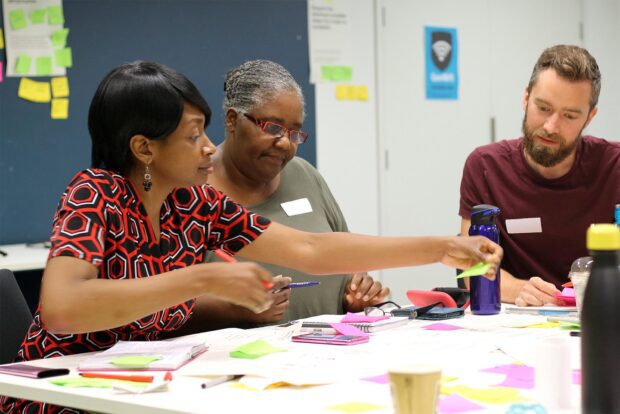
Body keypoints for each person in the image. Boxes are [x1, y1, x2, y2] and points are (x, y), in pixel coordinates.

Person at [1, 60, 501, 413]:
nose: (209, 146)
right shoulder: (95, 195)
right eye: (194, 134)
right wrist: (201, 280)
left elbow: (309, 248)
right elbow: (62, 308)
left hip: (143, 389)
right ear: (144, 148)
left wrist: (438, 246)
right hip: (63, 396)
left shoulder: (192, 203)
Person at [201, 59, 388, 325]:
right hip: (238, 363)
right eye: (273, 128)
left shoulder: (304, 175)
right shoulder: (193, 192)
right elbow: (157, 310)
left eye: (295, 132)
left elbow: (347, 262)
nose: (285, 143)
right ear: (233, 120)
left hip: (327, 353)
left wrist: (358, 293)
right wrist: (235, 310)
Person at [459, 45, 620, 307]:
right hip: (514, 323)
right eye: (543, 108)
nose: (551, 126)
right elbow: (471, 266)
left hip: (597, 317)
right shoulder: (485, 167)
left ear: (590, 117)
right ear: (525, 98)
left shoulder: (614, 167)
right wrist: (516, 289)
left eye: (569, 115)